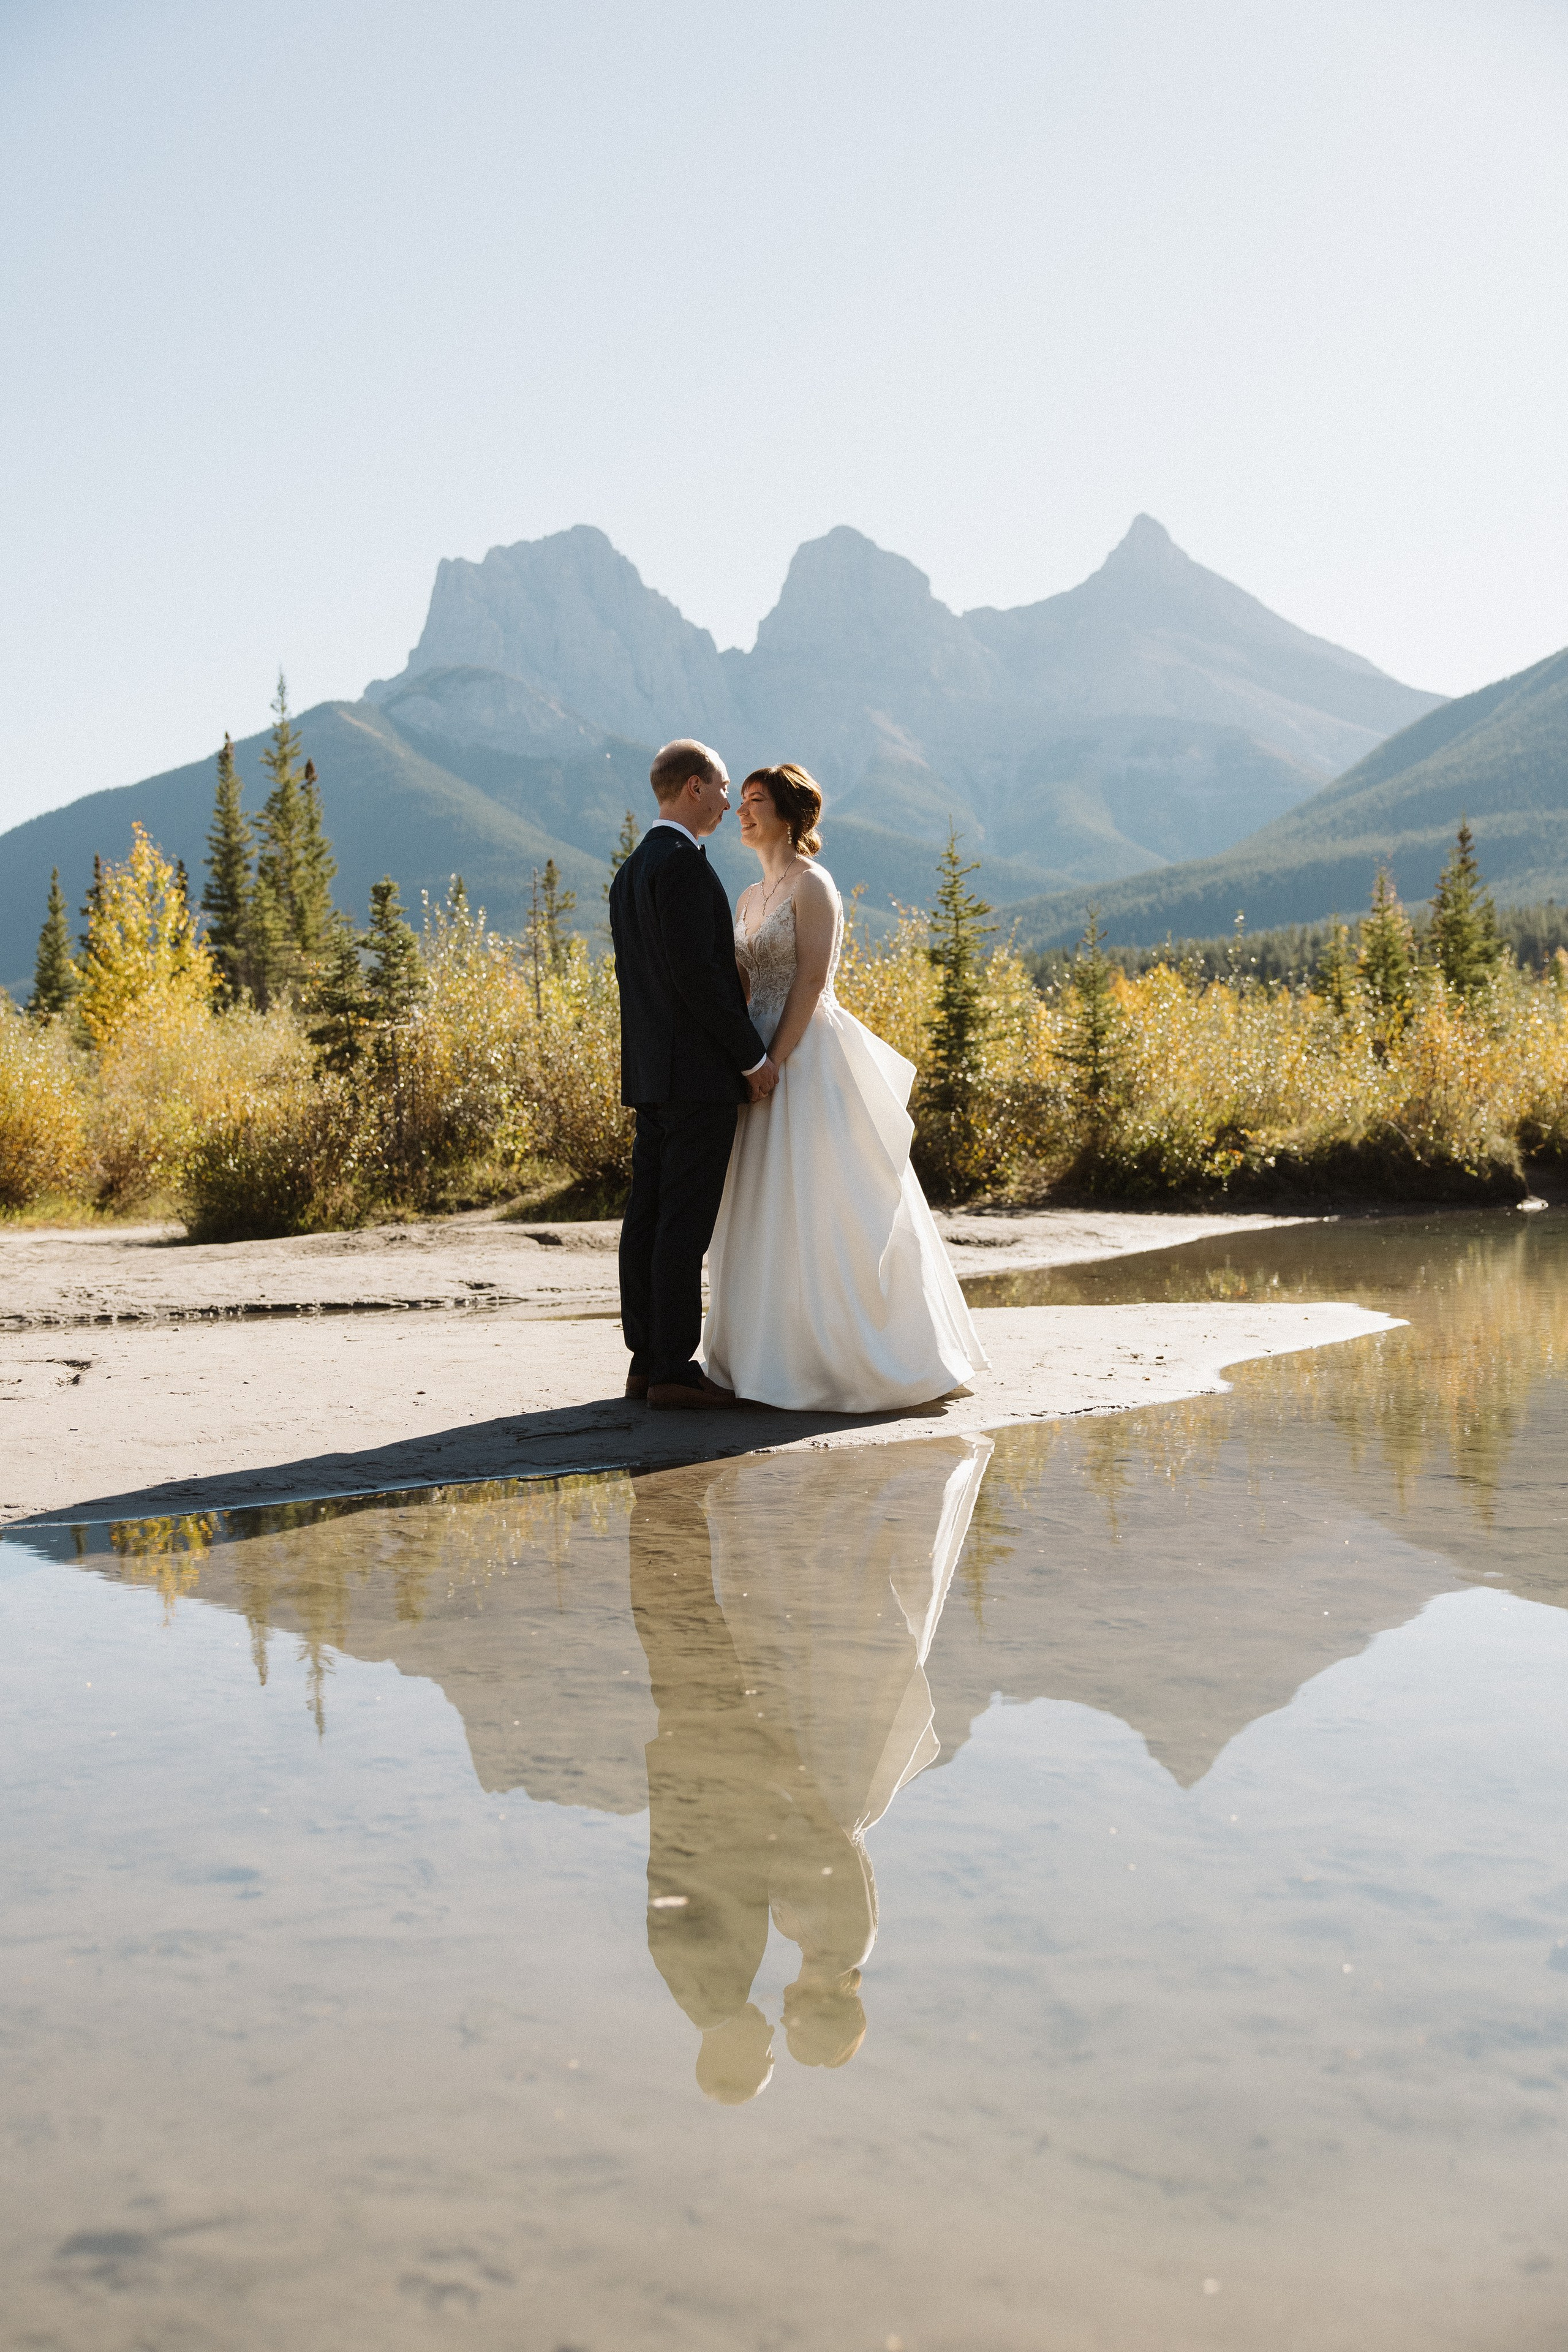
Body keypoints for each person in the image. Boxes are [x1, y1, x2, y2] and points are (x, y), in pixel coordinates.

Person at [703, 763, 987, 1411]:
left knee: (828, 1199)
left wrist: (774, 1058)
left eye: (754, 802)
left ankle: (853, 1357)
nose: (741, 812)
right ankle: (763, 1354)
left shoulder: (814, 886)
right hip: (754, 1053)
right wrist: (740, 1055)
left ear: (791, 815)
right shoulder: (747, 897)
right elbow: (741, 983)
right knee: (760, 1204)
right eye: (740, 801)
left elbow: (808, 982)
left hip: (806, 1054)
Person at [608, 739, 778, 1411]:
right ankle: (676, 1369)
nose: (732, 801)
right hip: (696, 1076)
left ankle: (647, 1362)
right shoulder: (679, 866)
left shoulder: (631, 870)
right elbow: (696, 978)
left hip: (652, 1072)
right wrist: (751, 1057)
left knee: (646, 1216)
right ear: (693, 787)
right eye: (723, 786)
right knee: (683, 1224)